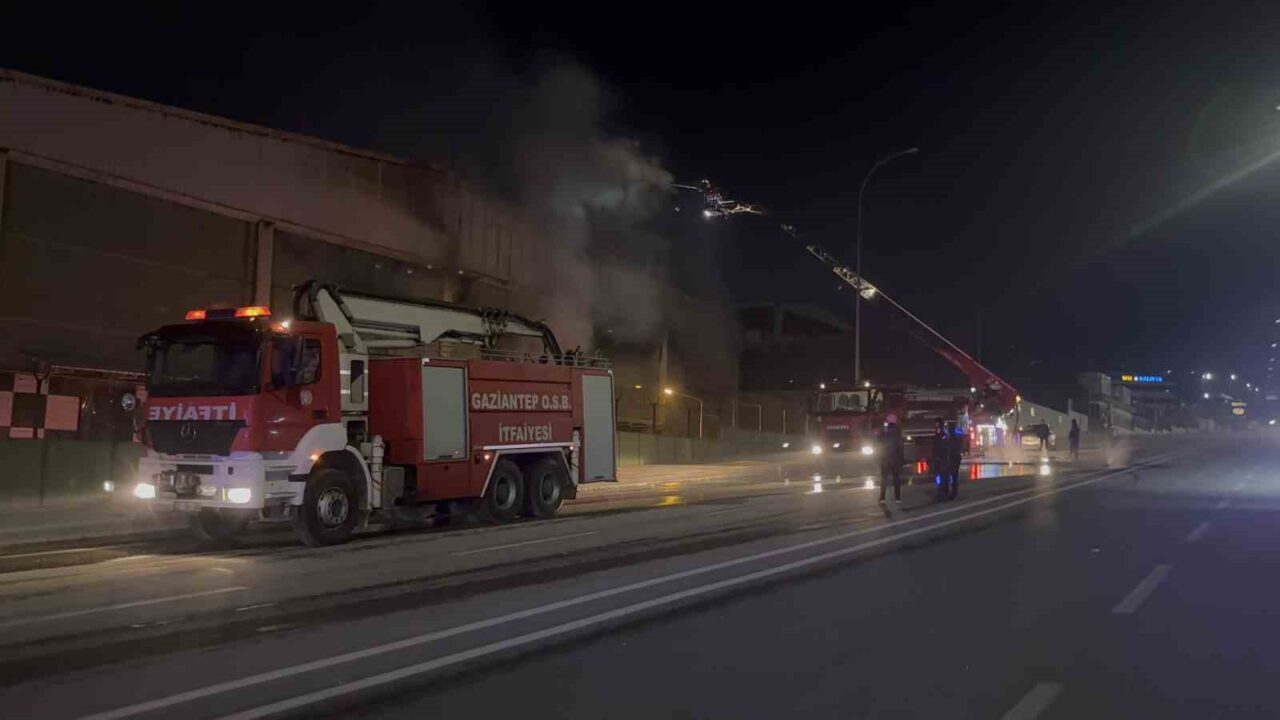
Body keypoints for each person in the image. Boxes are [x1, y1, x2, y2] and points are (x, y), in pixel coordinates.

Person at [879, 414, 905, 504]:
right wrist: (901, 459)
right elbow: (900, 446)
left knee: (884, 479)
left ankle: (882, 498)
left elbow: (880, 443)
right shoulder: (898, 432)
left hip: (885, 459)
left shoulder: (884, 432)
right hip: (895, 459)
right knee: (896, 478)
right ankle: (898, 498)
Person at [929, 418, 948, 498]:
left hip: (941, 457)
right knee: (940, 475)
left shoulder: (942, 433)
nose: (935, 425)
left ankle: (942, 491)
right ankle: (942, 490)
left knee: (941, 475)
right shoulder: (941, 433)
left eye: (936, 423)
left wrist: (936, 456)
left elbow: (939, 445)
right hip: (940, 457)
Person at [945, 420, 964, 500]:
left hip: (953, 457)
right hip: (955, 457)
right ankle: (953, 492)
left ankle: (952, 492)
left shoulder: (950, 435)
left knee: (951, 475)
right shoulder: (957, 434)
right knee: (953, 475)